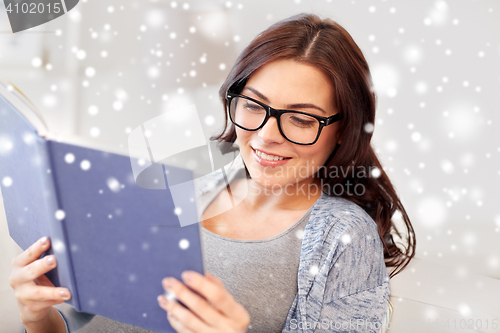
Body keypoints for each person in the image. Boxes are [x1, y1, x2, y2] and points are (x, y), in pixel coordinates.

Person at [9, 13, 415, 333]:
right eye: (253, 106)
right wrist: (38, 317)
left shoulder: (344, 237)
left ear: (343, 129)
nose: (266, 135)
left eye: (301, 120)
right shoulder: (183, 185)